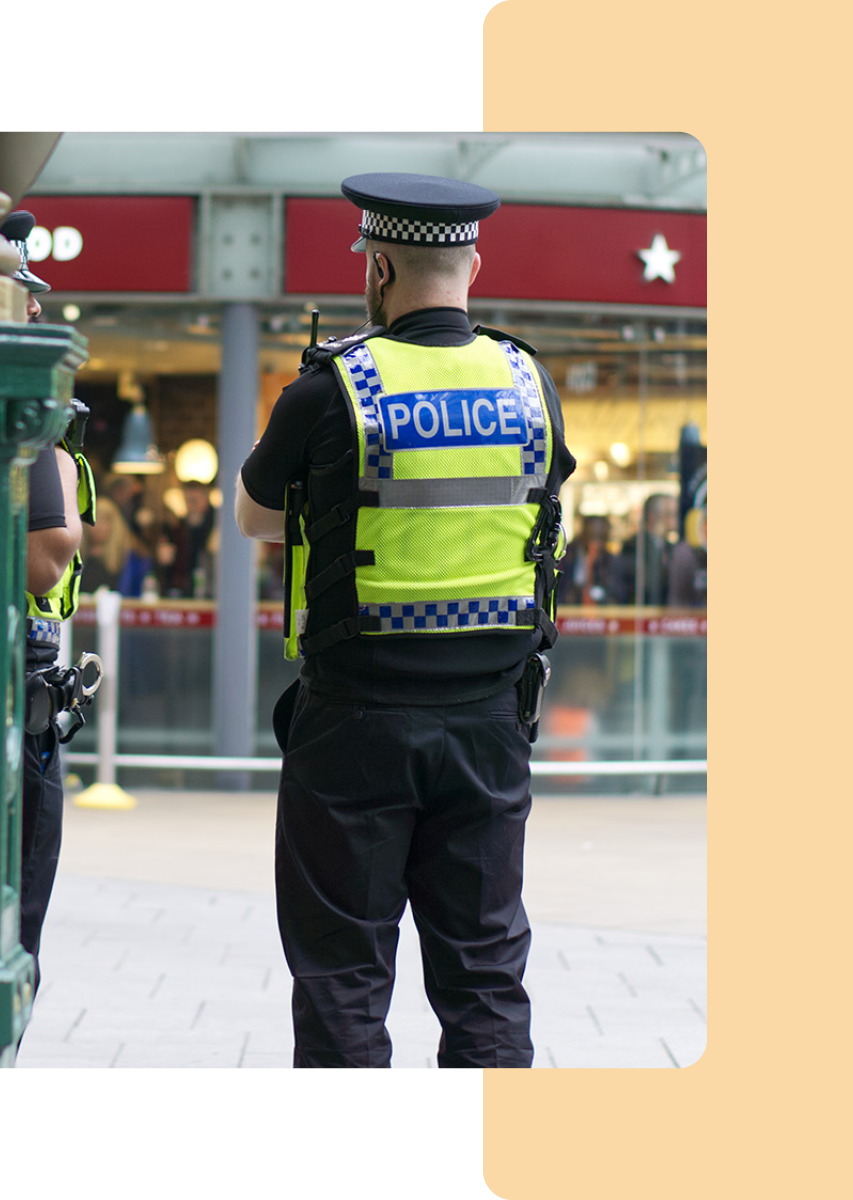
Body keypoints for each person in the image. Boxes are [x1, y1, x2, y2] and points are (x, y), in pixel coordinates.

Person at [236, 173, 576, 1069]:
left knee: (344, 976)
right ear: (475, 262)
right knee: (485, 974)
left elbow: (253, 517)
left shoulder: (331, 389)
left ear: (377, 267)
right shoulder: (528, 381)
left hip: (353, 724)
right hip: (492, 725)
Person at [0, 210, 97, 1011]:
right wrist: (58, 462)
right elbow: (46, 556)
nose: (36, 312)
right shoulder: (17, 413)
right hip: (6, 695)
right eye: (19, 296)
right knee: (13, 927)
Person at [611, 492, 676, 606]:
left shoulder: (672, 548)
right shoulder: (633, 546)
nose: (674, 519)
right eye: (669, 514)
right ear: (652, 516)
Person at [556, 513, 616, 605]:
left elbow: (615, 594)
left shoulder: (610, 562)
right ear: (583, 535)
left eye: (601, 538)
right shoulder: (566, 555)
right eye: (592, 536)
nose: (595, 543)